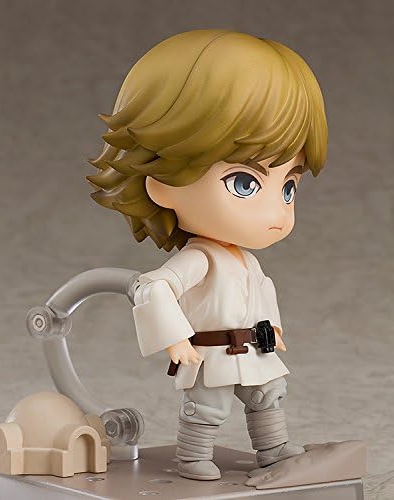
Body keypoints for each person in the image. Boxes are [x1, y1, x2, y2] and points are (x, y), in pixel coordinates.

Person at [88, 29, 328, 480]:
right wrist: (176, 338)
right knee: (207, 406)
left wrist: (274, 329)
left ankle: (273, 449)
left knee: (268, 395)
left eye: (289, 187)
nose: (277, 212)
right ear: (163, 182)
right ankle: (193, 456)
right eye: (245, 183)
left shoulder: (245, 260)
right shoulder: (199, 259)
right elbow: (154, 287)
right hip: (211, 351)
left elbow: (263, 291)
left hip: (253, 347)